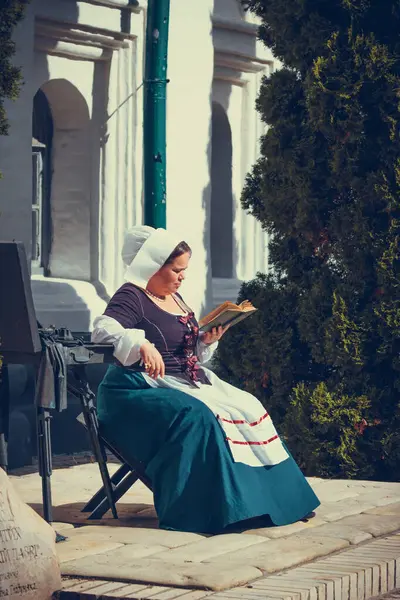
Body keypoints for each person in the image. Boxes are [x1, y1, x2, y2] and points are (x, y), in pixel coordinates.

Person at [92, 226, 320, 534]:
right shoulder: (131, 295)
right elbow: (103, 329)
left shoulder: (175, 296)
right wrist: (141, 344)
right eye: (177, 270)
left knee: (247, 406)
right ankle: (210, 512)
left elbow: (185, 349)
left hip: (184, 381)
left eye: (184, 270)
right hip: (134, 388)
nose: (182, 276)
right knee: (199, 416)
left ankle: (275, 503)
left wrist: (206, 340)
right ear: (153, 266)